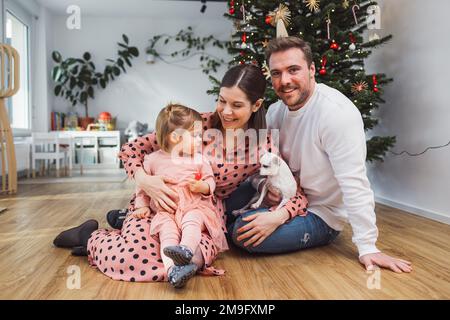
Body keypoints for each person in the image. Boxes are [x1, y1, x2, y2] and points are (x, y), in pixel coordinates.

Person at [53, 64, 309, 282]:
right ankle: (91, 236)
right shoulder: (198, 124)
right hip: (157, 205)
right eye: (221, 100)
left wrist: (278, 216)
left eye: (237, 105)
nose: (226, 111)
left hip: (202, 214)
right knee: (131, 259)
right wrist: (146, 180)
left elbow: (296, 194)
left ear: (256, 105)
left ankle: (110, 233)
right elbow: (131, 150)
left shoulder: (262, 146)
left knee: (176, 261)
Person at [229, 36, 411, 273]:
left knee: (242, 233)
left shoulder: (336, 114)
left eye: (293, 70)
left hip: (320, 213)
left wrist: (368, 246)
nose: (285, 80)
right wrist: (270, 189)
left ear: (312, 69)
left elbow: (354, 183)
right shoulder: (275, 111)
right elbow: (262, 163)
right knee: (222, 198)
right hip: (285, 195)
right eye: (276, 73)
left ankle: (231, 226)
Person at [132, 104, 228, 288]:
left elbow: (210, 181)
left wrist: (204, 187)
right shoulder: (153, 160)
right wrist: (141, 205)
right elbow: (142, 187)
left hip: (194, 206)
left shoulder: (199, 159)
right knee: (167, 236)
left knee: (192, 222)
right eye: (196, 136)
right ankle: (173, 272)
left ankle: (186, 249)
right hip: (166, 211)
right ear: (175, 137)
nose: (201, 140)